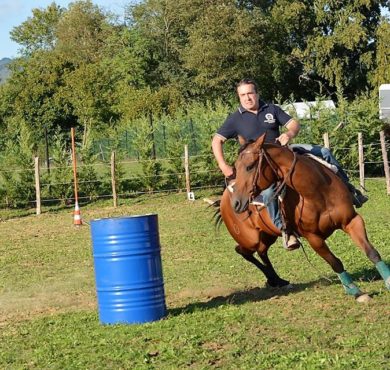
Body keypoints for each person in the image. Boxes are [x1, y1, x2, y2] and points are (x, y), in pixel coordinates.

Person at [211, 78, 367, 251]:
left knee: (324, 153)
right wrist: (224, 166)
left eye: (250, 93)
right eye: (243, 95)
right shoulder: (235, 119)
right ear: (238, 97)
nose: (247, 98)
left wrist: (289, 134)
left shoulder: (271, 109)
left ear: (257, 93)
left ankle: (351, 191)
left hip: (285, 155)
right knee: (269, 193)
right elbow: (217, 140)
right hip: (262, 168)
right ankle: (286, 231)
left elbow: (294, 124)